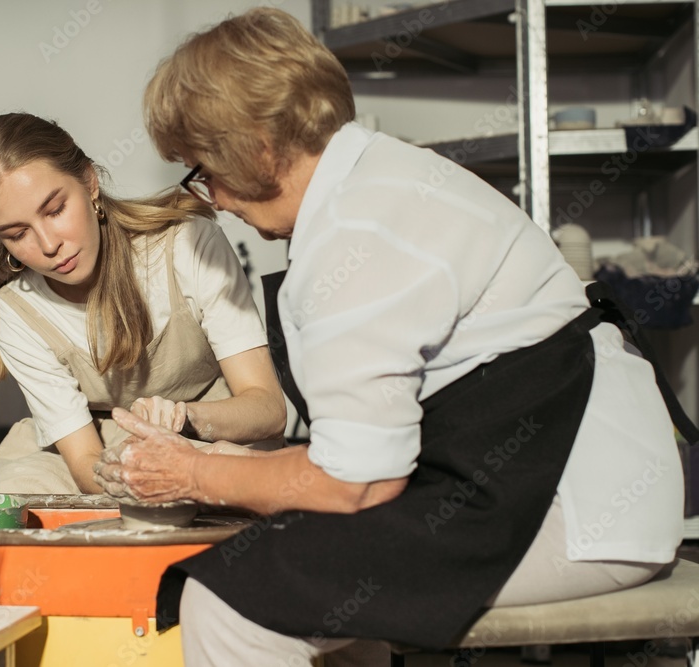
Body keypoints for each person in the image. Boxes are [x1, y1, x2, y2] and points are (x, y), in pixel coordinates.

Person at [93, 8, 696, 665]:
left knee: (231, 602)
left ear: (258, 145)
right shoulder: (381, 178)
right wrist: (229, 467)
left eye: (204, 168)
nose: (214, 197)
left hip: (574, 508)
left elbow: (358, 484)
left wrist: (196, 473)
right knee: (297, 565)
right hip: (566, 476)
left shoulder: (356, 234)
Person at [0, 112, 287, 494]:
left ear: (90, 182)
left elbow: (267, 408)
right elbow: (84, 462)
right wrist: (131, 478)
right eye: (18, 234)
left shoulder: (188, 245)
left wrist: (182, 419)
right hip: (92, 460)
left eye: (55, 210)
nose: (48, 245)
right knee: (16, 492)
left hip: (210, 431)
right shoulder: (16, 313)